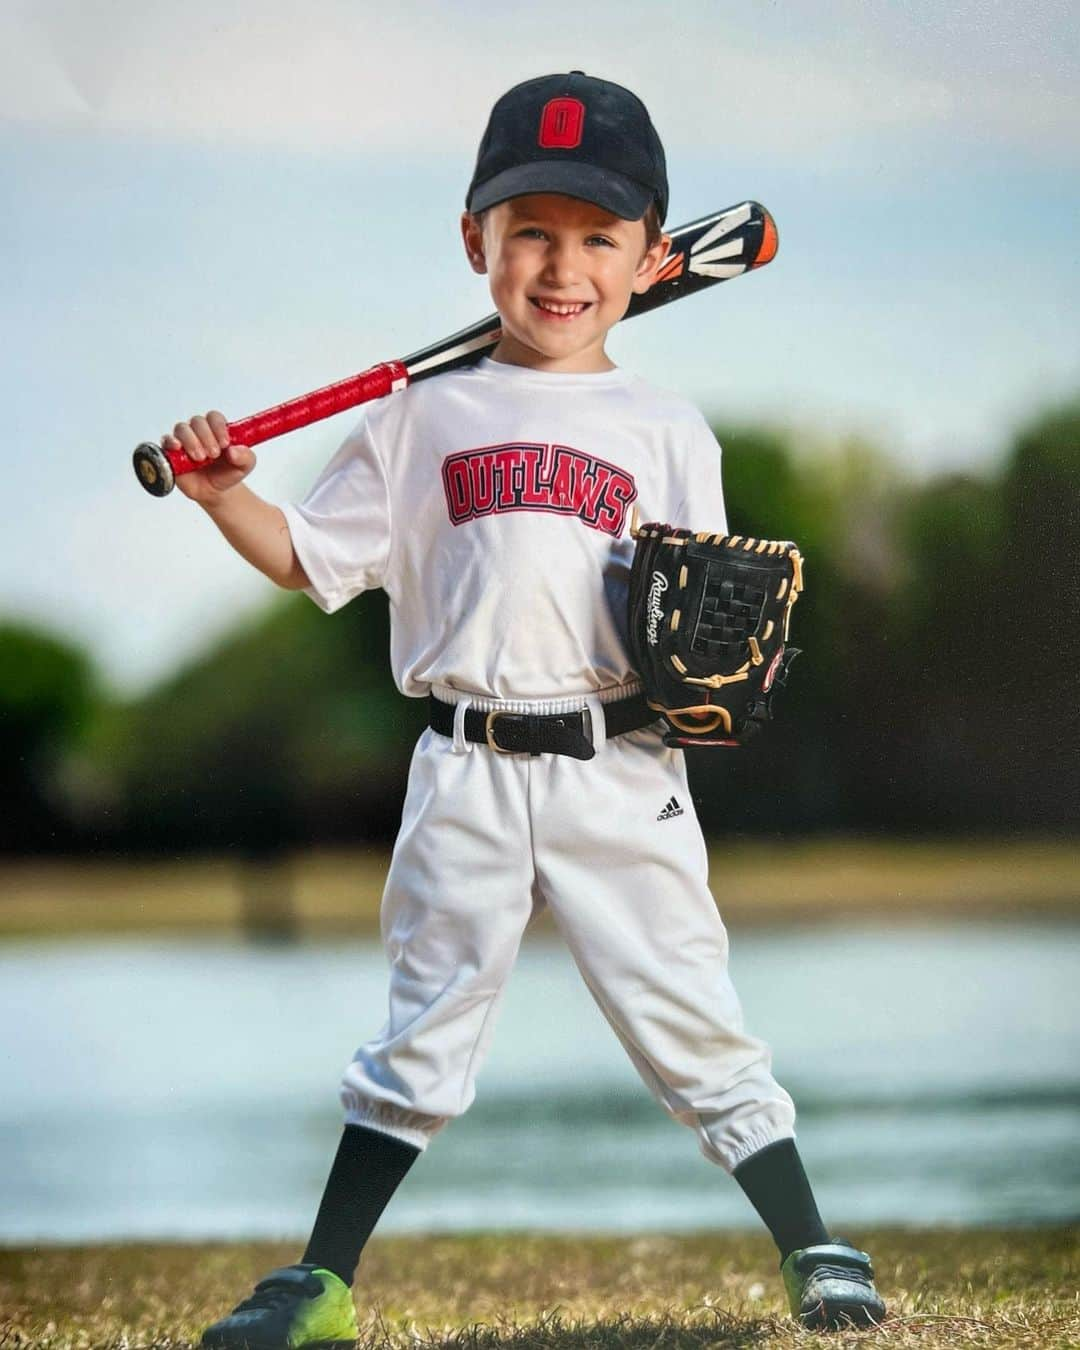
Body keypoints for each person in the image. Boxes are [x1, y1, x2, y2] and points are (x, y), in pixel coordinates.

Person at [169, 73, 886, 1345]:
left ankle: (816, 1246)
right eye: (531, 232)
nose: (564, 267)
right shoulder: (416, 417)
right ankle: (320, 1283)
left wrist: (725, 673)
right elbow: (307, 559)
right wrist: (228, 493)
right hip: (465, 764)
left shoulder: (666, 427)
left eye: (599, 237)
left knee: (692, 1015)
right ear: (475, 242)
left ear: (653, 258)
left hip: (623, 762)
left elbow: (715, 623)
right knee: (421, 1028)